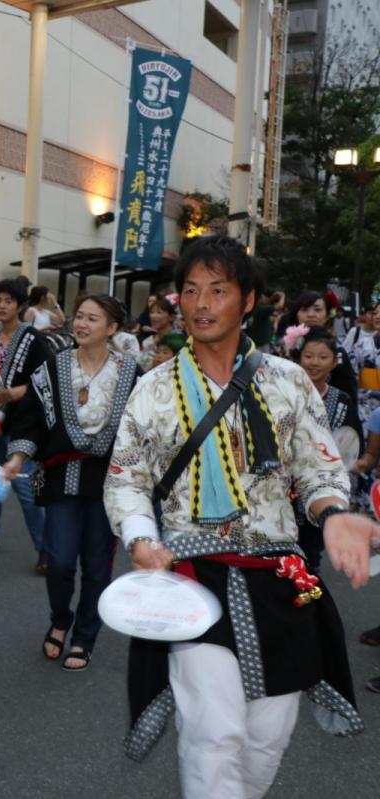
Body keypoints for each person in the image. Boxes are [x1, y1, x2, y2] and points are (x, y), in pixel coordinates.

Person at [104, 235, 374, 797]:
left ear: (248, 300)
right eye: (191, 290)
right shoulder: (152, 389)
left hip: (280, 571)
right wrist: (140, 538)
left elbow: (318, 466)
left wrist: (333, 512)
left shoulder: (288, 379)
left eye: (218, 290)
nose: (201, 303)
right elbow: (127, 477)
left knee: (268, 732)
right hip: (190, 573)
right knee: (213, 731)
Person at [2, 295, 140, 672]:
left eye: (92, 319)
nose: (81, 324)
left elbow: (144, 430)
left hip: (108, 483)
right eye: (79, 316)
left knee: (97, 566)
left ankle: (84, 636)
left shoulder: (132, 373)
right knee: (60, 561)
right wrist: (17, 459)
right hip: (62, 477)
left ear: (112, 329)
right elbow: (28, 419)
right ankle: (60, 618)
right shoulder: (52, 367)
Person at [0, 278, 51, 566]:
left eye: (8, 301)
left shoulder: (33, 339)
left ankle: (44, 549)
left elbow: (48, 378)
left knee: (25, 490)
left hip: (23, 423)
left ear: (20, 305)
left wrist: (17, 391)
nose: (1, 306)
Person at [290, 326, 362, 574]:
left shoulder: (342, 400)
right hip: (284, 487)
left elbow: (351, 444)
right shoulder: (283, 395)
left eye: (323, 357)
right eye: (309, 356)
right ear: (299, 358)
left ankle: (310, 599)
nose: (314, 362)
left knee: (311, 555)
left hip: (321, 488)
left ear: (334, 362)